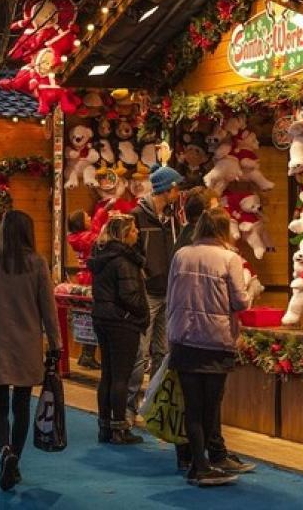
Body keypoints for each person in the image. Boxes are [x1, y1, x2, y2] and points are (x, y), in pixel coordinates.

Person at [0, 210, 62, 492]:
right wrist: (55, 344)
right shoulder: (37, 264)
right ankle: (16, 460)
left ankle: (5, 451)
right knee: (21, 406)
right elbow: (48, 309)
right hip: (28, 345)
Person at [167, 207, 255, 486]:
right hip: (215, 340)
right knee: (211, 406)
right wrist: (252, 289)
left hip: (183, 337)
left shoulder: (181, 255)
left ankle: (197, 464)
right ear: (223, 230)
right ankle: (206, 464)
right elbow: (240, 302)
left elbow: (171, 295)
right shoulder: (230, 258)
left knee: (192, 407)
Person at [127, 164, 183, 419]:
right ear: (166, 189)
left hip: (168, 290)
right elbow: (132, 251)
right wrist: (146, 272)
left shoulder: (172, 218)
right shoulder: (138, 216)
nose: (178, 193)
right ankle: (129, 405)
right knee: (140, 351)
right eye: (175, 188)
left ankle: (153, 406)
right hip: (148, 292)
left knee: (162, 351)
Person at [89, 214, 149, 446]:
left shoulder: (101, 256)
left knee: (108, 375)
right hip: (122, 322)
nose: (137, 233)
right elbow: (129, 295)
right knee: (121, 377)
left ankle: (105, 426)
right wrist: (142, 314)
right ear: (124, 234)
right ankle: (119, 428)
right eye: (133, 230)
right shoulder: (125, 260)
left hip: (102, 318)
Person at [67, 201, 115, 370]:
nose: (90, 218)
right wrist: (107, 218)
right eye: (87, 217)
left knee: (87, 317)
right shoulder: (86, 238)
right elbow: (98, 237)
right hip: (91, 279)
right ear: (81, 223)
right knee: (91, 317)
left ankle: (86, 354)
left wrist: (104, 210)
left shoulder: (78, 237)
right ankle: (87, 354)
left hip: (85, 278)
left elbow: (94, 227)